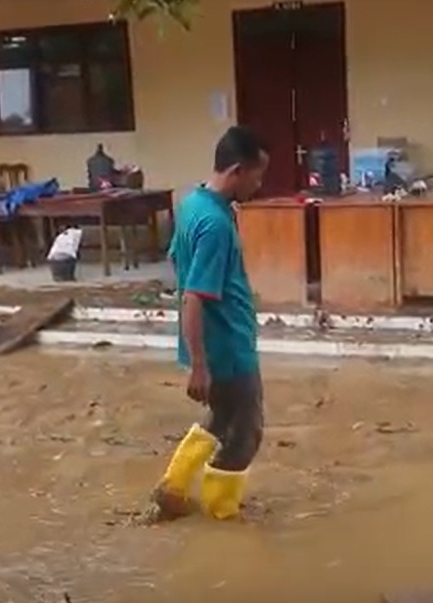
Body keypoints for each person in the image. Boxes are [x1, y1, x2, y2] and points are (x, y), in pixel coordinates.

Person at [151, 126, 269, 521]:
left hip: (213, 343)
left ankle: (174, 487)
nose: (259, 184)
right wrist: (201, 364)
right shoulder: (217, 224)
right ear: (237, 170)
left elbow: (177, 262)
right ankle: (222, 512)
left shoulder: (192, 206)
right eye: (257, 175)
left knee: (221, 418)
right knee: (247, 432)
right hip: (227, 350)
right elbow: (194, 296)